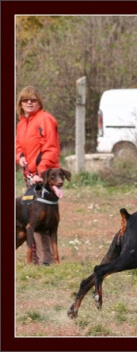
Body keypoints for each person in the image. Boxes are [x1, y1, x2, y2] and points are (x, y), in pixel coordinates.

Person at [16, 86, 61, 265]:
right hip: (30, 177)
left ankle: (47, 261)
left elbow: (51, 148)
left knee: (44, 220)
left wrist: (40, 174)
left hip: (43, 177)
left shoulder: (46, 119)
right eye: (25, 100)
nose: (29, 103)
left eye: (33, 100)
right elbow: (18, 145)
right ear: (20, 104)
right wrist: (19, 157)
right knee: (32, 217)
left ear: (38, 102)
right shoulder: (22, 123)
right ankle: (37, 260)